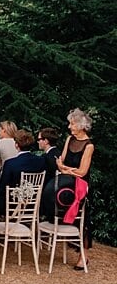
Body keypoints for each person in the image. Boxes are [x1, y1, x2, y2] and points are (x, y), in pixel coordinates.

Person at [42, 108, 94, 271]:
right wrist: (66, 169)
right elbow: (61, 161)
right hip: (65, 181)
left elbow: (83, 172)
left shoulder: (89, 145)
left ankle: (83, 256)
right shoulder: (69, 139)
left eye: (72, 123)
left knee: (83, 220)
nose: (69, 126)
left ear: (81, 125)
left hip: (80, 185)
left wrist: (66, 170)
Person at [0, 130, 46, 215]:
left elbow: (3, 187)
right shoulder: (41, 161)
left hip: (13, 205)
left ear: (16, 145)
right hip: (34, 203)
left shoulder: (10, 163)